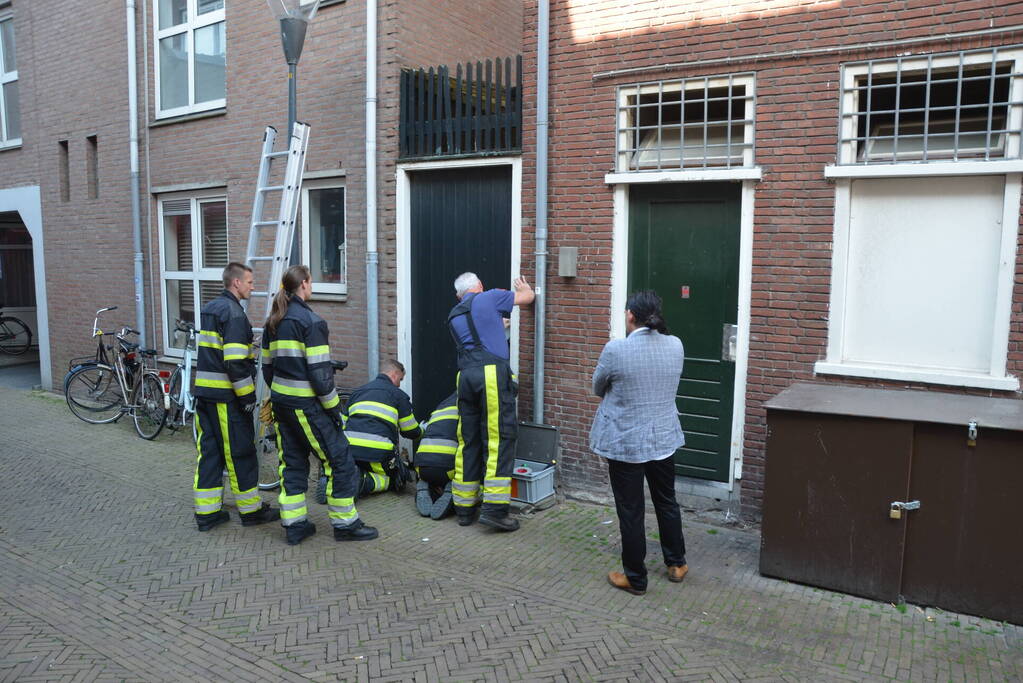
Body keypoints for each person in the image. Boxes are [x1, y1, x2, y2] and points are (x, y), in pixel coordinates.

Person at [261, 265, 376, 544]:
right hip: (306, 405)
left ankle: (295, 524)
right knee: (339, 461)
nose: (312, 286)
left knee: (292, 462)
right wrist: (334, 409)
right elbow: (320, 376)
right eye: (311, 282)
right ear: (304, 284)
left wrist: (282, 392)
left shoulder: (273, 321)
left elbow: (267, 367)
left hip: (281, 404)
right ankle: (345, 524)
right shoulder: (312, 322)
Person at [590, 290, 688, 595]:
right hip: (663, 438)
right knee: (666, 500)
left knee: (631, 510)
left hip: (627, 442)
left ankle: (635, 577)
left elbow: (597, 388)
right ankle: (677, 563)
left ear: (631, 315)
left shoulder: (616, 349)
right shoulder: (675, 345)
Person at [191, 263, 279, 531]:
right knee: (240, 452)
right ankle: (251, 511)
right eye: (250, 282)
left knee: (210, 453)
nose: (253, 287)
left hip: (205, 395)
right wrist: (247, 397)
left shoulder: (211, 308)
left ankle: (207, 513)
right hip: (225, 398)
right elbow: (235, 363)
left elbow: (217, 352)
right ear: (236, 283)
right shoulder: (234, 315)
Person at [447, 272, 534, 531]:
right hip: (491, 375)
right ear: (480, 286)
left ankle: (464, 507)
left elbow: (477, 338)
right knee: (498, 439)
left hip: (465, 377)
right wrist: (525, 287)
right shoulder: (491, 297)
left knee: (468, 439)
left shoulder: (454, 314)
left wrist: (499, 326)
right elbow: (527, 298)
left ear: (458, 296)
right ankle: (495, 510)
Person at [344, 359, 423, 496]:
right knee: (398, 479)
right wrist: (423, 431)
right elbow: (410, 431)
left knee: (353, 468)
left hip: (350, 451)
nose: (399, 385)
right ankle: (362, 481)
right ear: (394, 375)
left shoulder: (357, 392)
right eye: (400, 380)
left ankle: (340, 479)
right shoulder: (398, 396)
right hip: (378, 454)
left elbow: (342, 424)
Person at [412, 391, 458, 520]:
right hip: (448, 469)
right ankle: (453, 488)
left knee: (433, 474)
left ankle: (426, 483)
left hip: (421, 466)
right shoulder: (469, 405)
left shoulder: (442, 406)